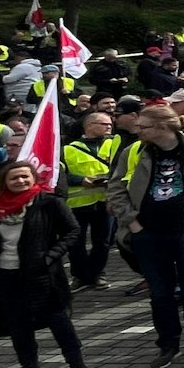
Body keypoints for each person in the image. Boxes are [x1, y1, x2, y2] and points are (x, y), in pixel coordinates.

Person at [107, 105, 184, 368]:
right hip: (149, 233)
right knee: (160, 293)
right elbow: (116, 187)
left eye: (143, 127)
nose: (137, 130)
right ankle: (168, 344)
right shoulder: (133, 151)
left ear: (163, 127)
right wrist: (132, 221)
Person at [0, 161, 90, 368]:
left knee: (59, 321)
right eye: (14, 178)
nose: (20, 181)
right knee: (18, 325)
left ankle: (77, 363)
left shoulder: (49, 203)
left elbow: (72, 231)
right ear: (4, 182)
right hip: (4, 275)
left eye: (24, 177)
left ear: (34, 178)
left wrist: (50, 256)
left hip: (42, 275)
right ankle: (28, 366)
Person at [62, 111, 120, 288]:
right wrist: (80, 180)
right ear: (89, 126)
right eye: (104, 124)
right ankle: (79, 276)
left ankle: (97, 274)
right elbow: (61, 174)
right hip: (78, 203)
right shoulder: (68, 149)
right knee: (76, 243)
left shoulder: (115, 145)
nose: (109, 127)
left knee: (102, 242)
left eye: (110, 124)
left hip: (105, 201)